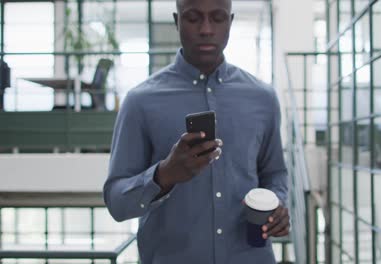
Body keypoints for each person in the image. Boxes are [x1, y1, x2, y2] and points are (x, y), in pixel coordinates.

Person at [103, 0, 289, 262]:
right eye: (193, 18)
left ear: (230, 22)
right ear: (177, 21)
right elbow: (116, 202)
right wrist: (164, 175)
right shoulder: (139, 102)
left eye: (217, 18)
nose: (206, 29)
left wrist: (278, 204)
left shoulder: (263, 98)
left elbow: (275, 173)